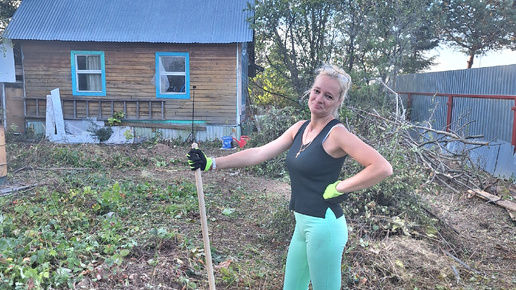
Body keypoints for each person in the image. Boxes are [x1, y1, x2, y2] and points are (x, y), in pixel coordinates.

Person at [187, 64, 393, 289]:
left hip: (325, 227)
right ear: (310, 91)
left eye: (328, 95)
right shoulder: (299, 128)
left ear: (338, 102)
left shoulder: (337, 133)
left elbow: (382, 167)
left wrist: (340, 187)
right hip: (302, 224)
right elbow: (259, 152)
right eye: (317, 91)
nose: (319, 98)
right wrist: (212, 163)